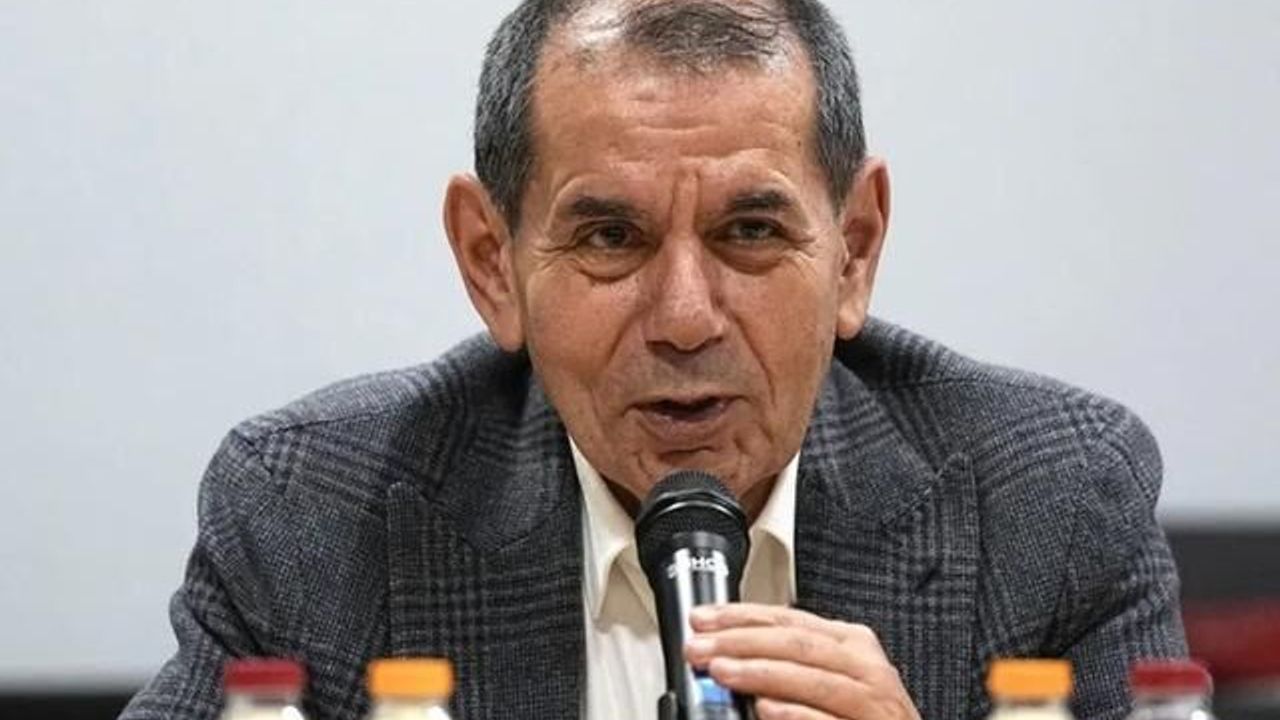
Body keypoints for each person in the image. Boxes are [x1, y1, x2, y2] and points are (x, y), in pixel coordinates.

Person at [121, 1, 1187, 719]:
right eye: (610, 238)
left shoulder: (1052, 501)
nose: (684, 319)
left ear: (854, 248)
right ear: (492, 262)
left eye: (751, 233)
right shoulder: (312, 513)